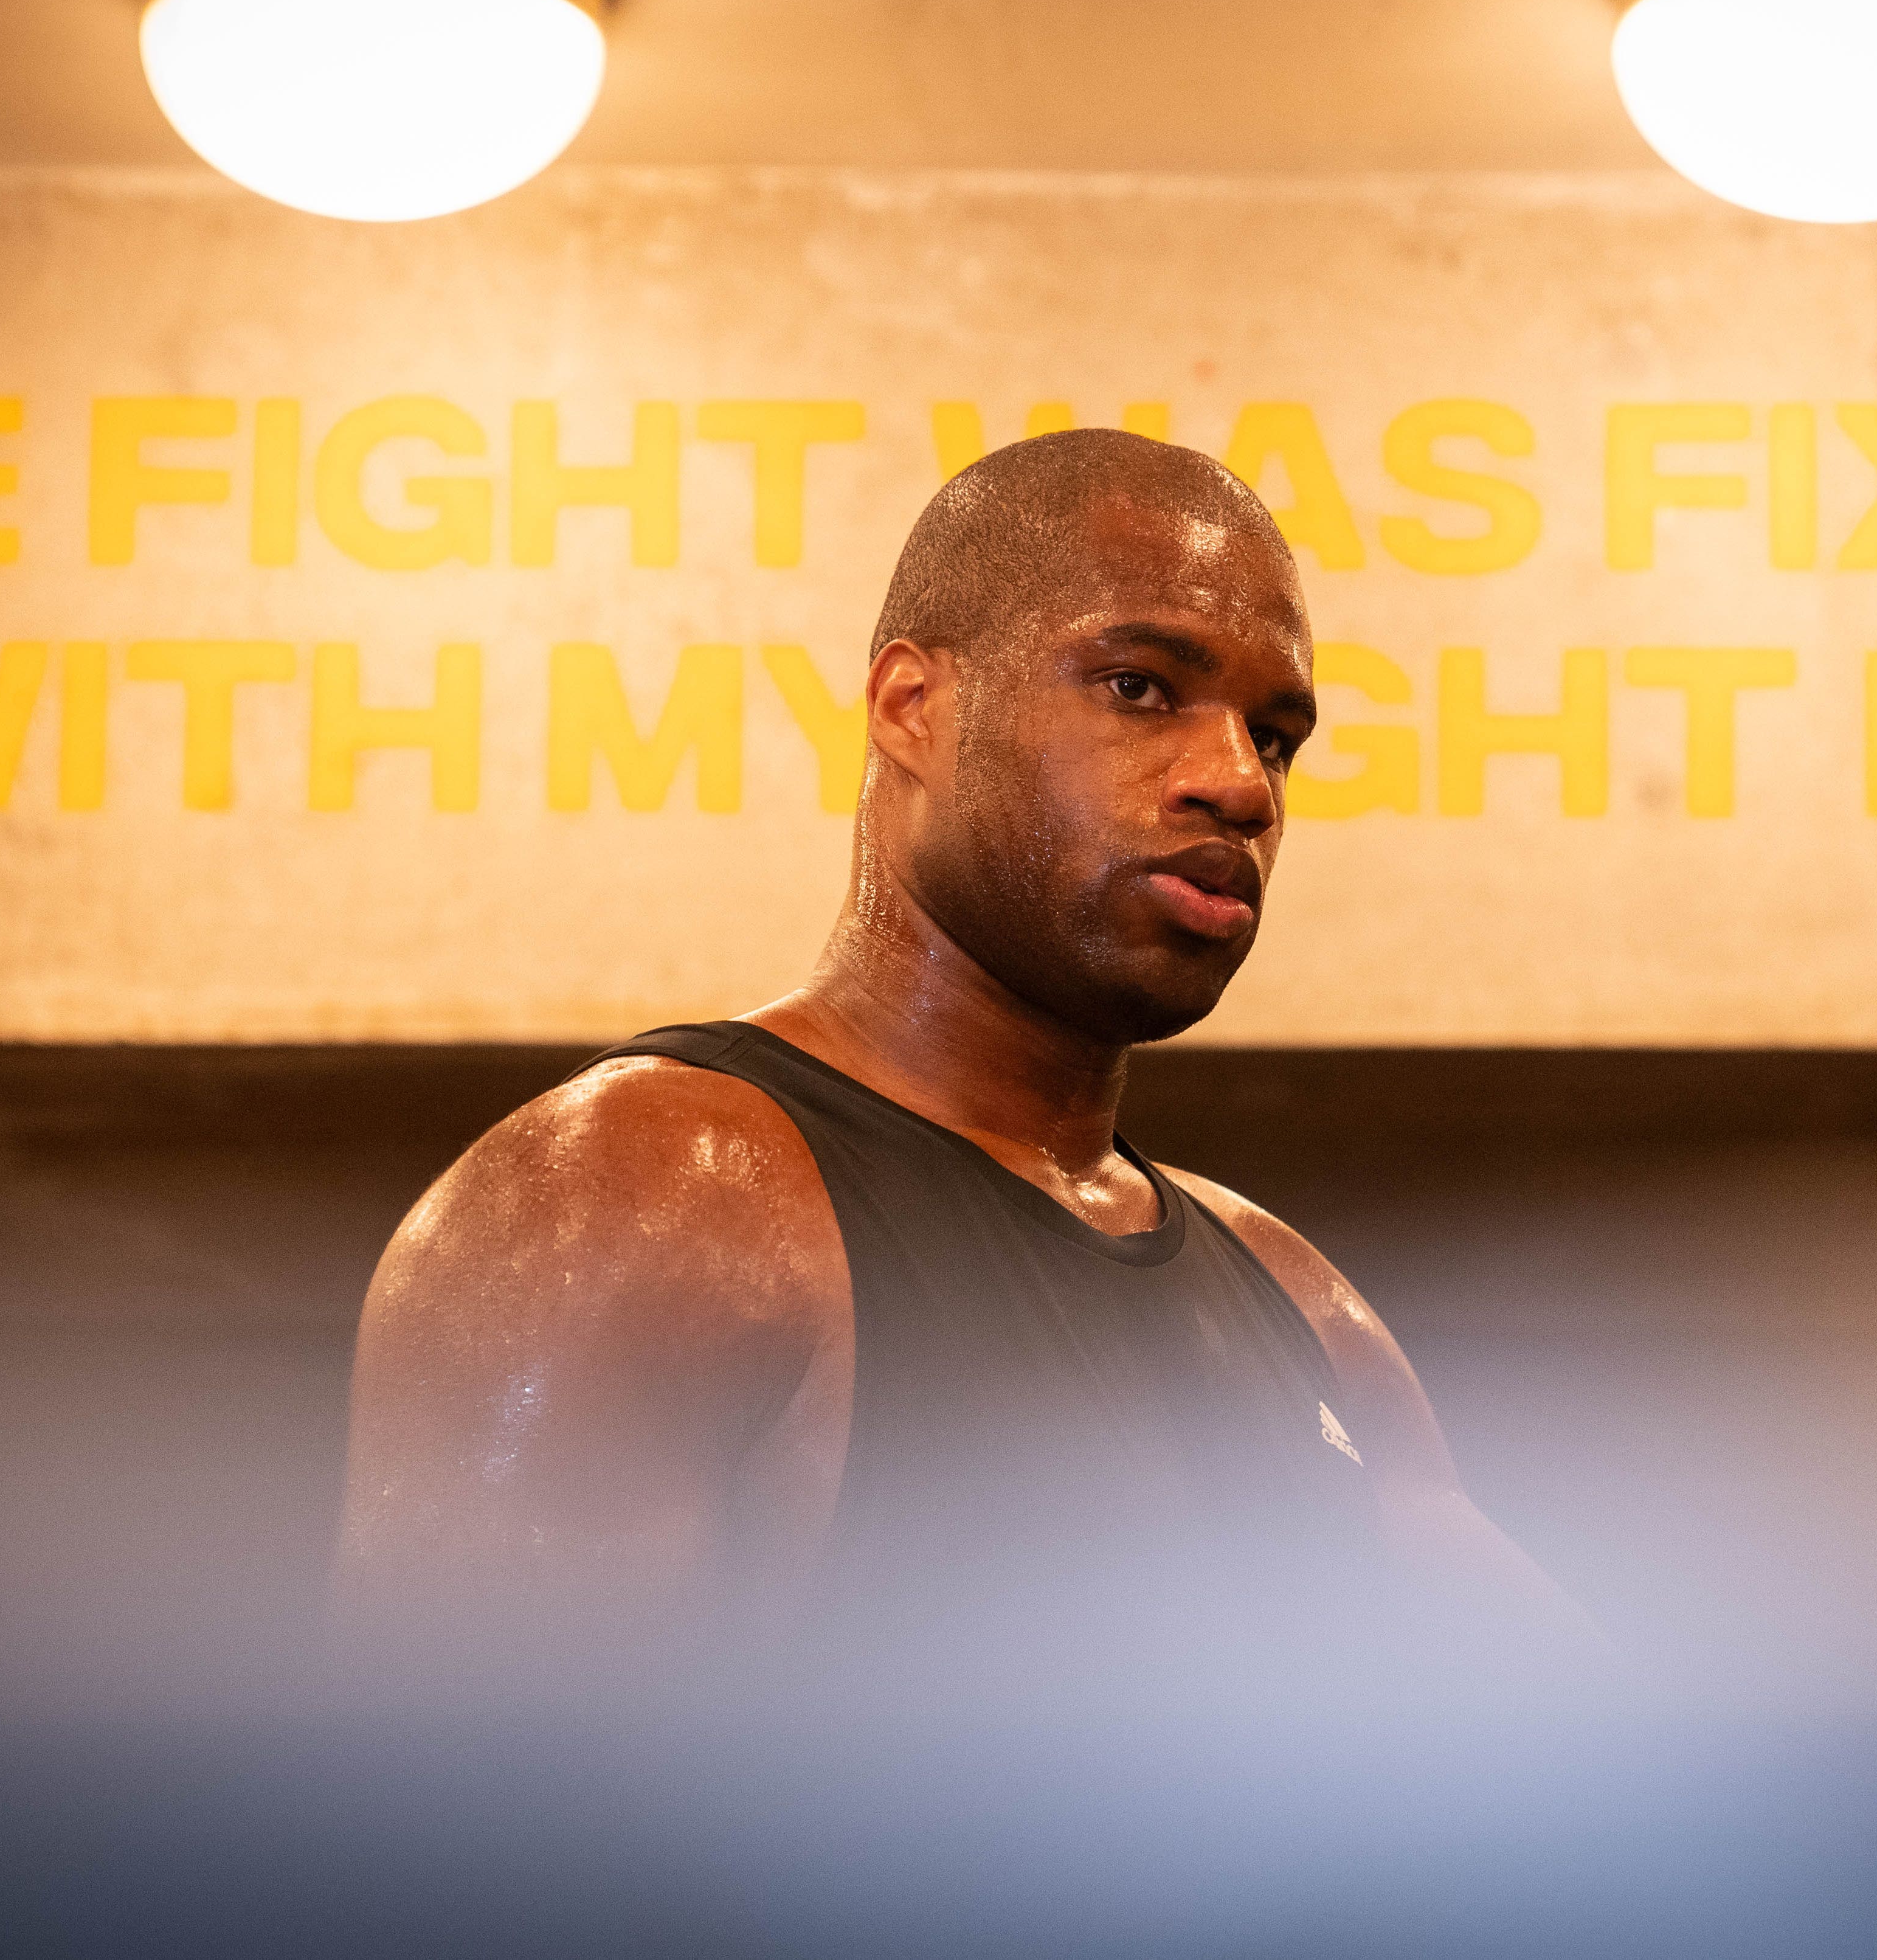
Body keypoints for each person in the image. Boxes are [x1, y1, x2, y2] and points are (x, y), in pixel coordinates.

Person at [337, 429, 1589, 1681]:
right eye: (1140, 687)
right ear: (912, 708)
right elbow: (450, 1846)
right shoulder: (646, 1195)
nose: (1238, 785)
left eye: (1274, 736)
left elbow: (1613, 1784)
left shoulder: (1307, 1311)